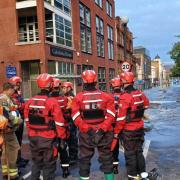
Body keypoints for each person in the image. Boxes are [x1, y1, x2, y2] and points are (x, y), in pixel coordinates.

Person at [71, 70, 115, 180]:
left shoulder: (78, 98)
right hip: (103, 133)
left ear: (84, 81)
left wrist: (89, 130)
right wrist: (101, 130)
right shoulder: (107, 96)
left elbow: (76, 117)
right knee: (107, 159)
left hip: (86, 134)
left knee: (85, 160)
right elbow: (111, 115)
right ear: (96, 81)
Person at [24, 73, 66, 180]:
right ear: (51, 85)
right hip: (48, 137)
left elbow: (27, 120)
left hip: (33, 137)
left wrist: (33, 131)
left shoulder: (30, 101)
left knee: (36, 163)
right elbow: (60, 123)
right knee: (49, 164)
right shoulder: (52, 102)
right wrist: (61, 138)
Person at [111, 72, 150, 180]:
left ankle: (132, 176)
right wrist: (137, 112)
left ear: (123, 82)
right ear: (132, 81)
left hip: (129, 130)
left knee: (130, 154)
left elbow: (121, 119)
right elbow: (146, 104)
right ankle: (142, 173)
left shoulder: (125, 97)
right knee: (139, 151)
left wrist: (116, 132)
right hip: (140, 128)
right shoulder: (140, 93)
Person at [0, 82, 22, 180]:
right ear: (9, 89)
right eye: (13, 90)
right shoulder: (4, 99)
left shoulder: (4, 98)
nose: (14, 91)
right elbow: (6, 115)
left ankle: (6, 173)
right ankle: (13, 175)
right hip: (7, 130)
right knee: (13, 150)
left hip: (4, 130)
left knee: (5, 152)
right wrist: (18, 120)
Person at [50, 78, 70, 178]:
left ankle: (51, 171)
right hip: (62, 128)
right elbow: (68, 113)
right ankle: (65, 170)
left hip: (50, 129)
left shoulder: (48, 100)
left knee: (51, 150)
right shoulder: (64, 99)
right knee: (63, 149)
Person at [8, 76, 28, 168]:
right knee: (15, 142)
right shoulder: (11, 96)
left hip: (19, 120)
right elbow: (20, 106)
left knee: (19, 141)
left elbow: (22, 105)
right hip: (14, 122)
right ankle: (16, 160)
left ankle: (19, 158)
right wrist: (22, 105)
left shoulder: (17, 95)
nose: (19, 86)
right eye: (17, 84)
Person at [61, 82, 78, 164]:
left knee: (72, 139)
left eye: (66, 88)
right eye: (63, 88)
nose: (64, 89)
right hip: (67, 120)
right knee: (68, 139)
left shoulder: (71, 97)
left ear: (70, 88)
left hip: (71, 121)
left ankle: (73, 156)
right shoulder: (64, 97)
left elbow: (70, 108)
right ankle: (72, 155)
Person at [110, 77, 123, 174]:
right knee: (129, 146)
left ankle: (115, 167)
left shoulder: (109, 97)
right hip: (125, 124)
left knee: (114, 145)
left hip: (114, 125)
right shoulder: (125, 96)